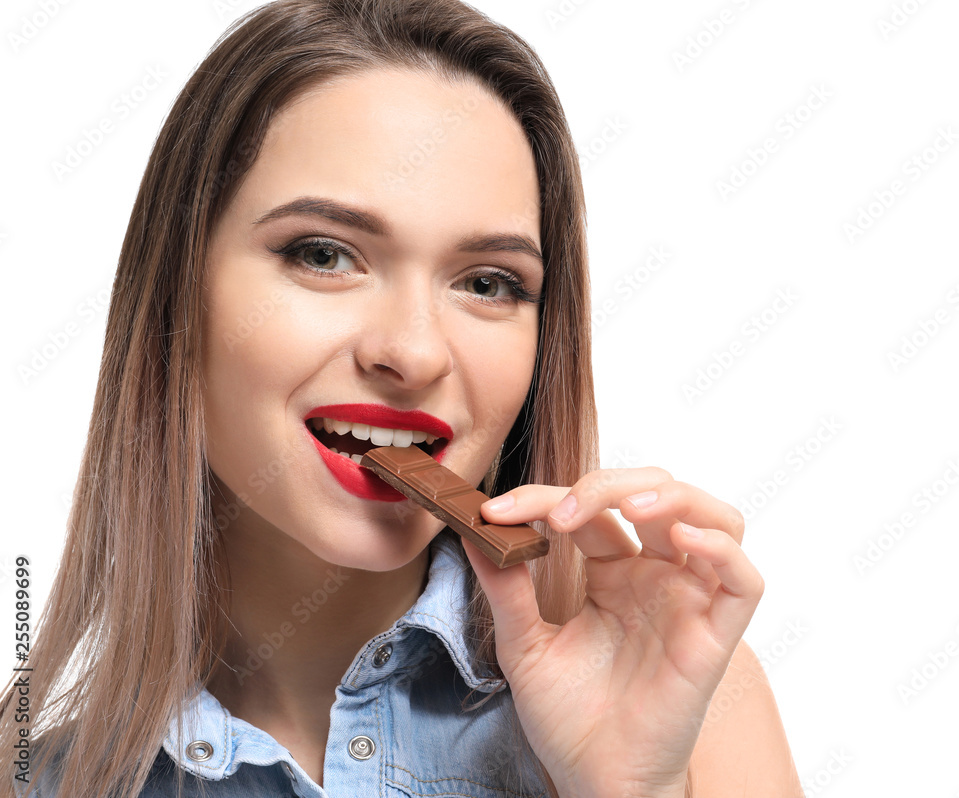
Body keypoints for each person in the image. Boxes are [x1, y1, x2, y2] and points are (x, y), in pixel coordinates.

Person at [1, 1, 803, 795]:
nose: (414, 350)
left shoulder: (688, 709)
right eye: (323, 254)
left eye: (488, 282)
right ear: (179, 293)